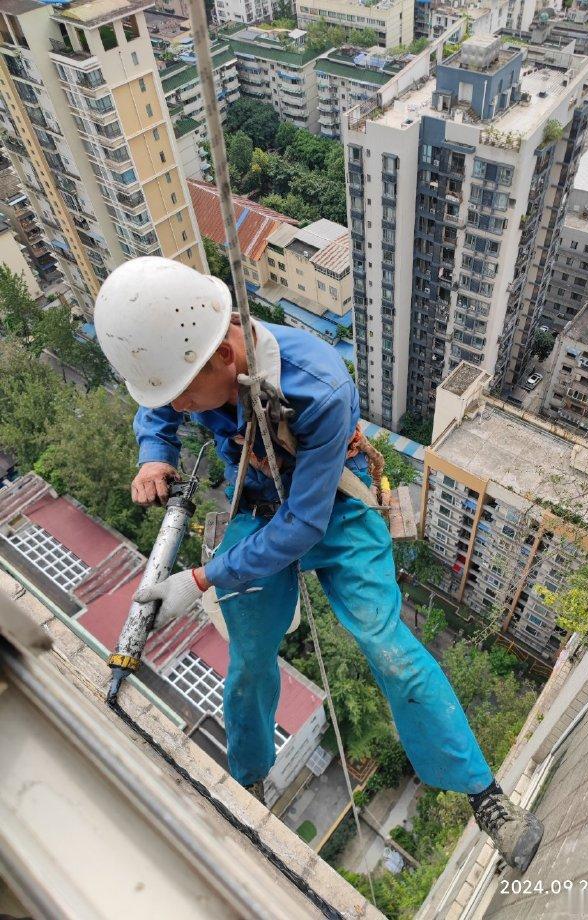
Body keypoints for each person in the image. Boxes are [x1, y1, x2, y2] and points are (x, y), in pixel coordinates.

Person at [94, 256, 544, 873]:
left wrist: (201, 578)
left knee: (387, 646)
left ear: (225, 358)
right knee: (250, 661)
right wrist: (154, 455)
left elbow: (303, 526)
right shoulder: (191, 360)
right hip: (255, 505)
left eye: (184, 394)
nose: (177, 404)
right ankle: (248, 779)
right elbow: (160, 402)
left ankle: (484, 797)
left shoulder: (318, 386)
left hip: (332, 506)